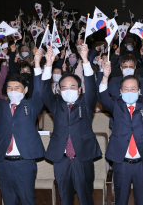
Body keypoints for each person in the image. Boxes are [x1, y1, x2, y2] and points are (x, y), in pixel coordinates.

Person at [0, 48, 45, 205]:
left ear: (25, 90)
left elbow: (40, 92)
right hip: (3, 163)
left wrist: (38, 64)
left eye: (17, 88)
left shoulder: (32, 106)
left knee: (28, 200)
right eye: (9, 88)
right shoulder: (0, 105)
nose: (13, 91)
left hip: (24, 163)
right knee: (8, 200)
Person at [40, 44, 102, 204]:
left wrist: (85, 60)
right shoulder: (55, 104)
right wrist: (48, 64)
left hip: (82, 156)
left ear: (79, 90)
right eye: (64, 87)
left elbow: (92, 86)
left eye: (72, 86)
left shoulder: (86, 103)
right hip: (61, 158)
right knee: (65, 198)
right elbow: (44, 91)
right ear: (59, 90)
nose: (68, 90)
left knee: (85, 197)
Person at [97, 56, 143, 205]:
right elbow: (102, 96)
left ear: (139, 91)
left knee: (142, 200)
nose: (129, 91)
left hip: (142, 161)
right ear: (120, 91)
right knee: (121, 199)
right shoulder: (116, 104)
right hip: (122, 161)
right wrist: (105, 77)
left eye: (133, 89)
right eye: (126, 89)